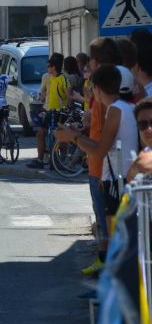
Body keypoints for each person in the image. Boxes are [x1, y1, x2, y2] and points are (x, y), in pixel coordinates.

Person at [56, 65, 137, 277]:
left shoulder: (115, 110)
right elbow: (108, 149)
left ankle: (118, 288)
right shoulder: (125, 107)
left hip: (120, 183)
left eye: (92, 87)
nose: (91, 92)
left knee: (117, 240)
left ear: (98, 88)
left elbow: (100, 150)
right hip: (116, 178)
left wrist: (73, 137)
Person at [74, 38, 120, 275]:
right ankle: (104, 260)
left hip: (101, 166)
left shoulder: (106, 95)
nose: (87, 66)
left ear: (98, 61)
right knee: (103, 217)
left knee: (105, 218)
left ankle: (106, 263)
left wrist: (76, 137)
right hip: (97, 163)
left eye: (90, 61)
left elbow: (104, 136)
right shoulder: (99, 90)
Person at [28, 53, 69, 169]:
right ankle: (40, 159)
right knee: (40, 132)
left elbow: (67, 95)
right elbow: (42, 93)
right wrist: (42, 96)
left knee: (61, 135)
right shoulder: (46, 77)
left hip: (60, 110)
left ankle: (62, 160)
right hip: (48, 109)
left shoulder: (63, 77)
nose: (47, 68)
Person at [126, 97, 152, 183]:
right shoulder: (142, 157)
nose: (148, 129)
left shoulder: (142, 160)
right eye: (142, 124)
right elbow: (129, 180)